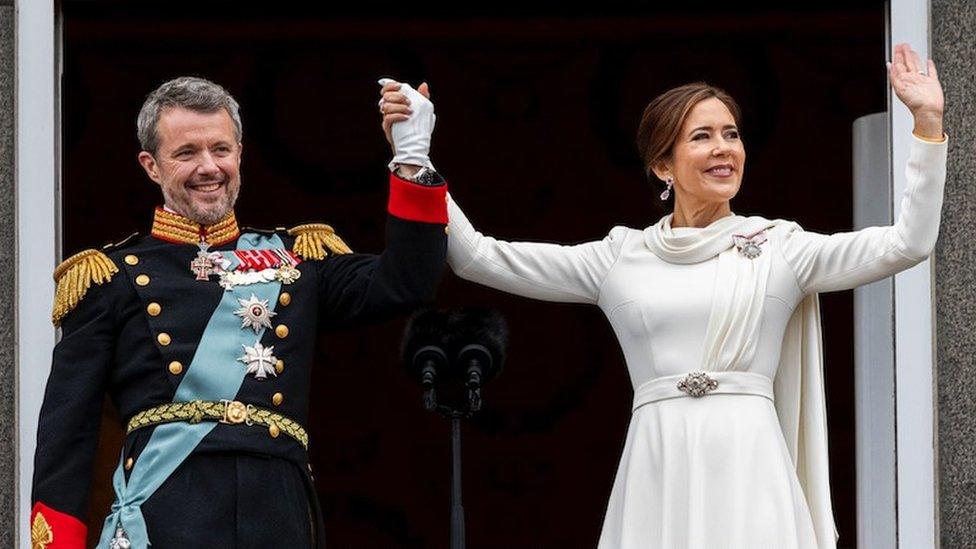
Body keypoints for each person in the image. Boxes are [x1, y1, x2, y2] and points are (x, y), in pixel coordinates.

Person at [378, 43, 946, 548]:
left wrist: (927, 124)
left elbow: (907, 244)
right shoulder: (619, 257)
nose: (724, 149)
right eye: (702, 137)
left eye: (732, 134)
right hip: (658, 463)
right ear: (661, 165)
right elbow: (479, 256)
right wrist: (414, 156)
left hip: (750, 464)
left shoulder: (780, 247)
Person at [31, 76, 447, 549]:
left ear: (240, 154)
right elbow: (65, 441)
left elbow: (406, 282)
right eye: (186, 153)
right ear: (151, 166)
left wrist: (412, 157)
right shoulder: (110, 277)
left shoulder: (299, 257)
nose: (208, 167)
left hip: (277, 511)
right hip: (166, 511)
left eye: (220, 150)